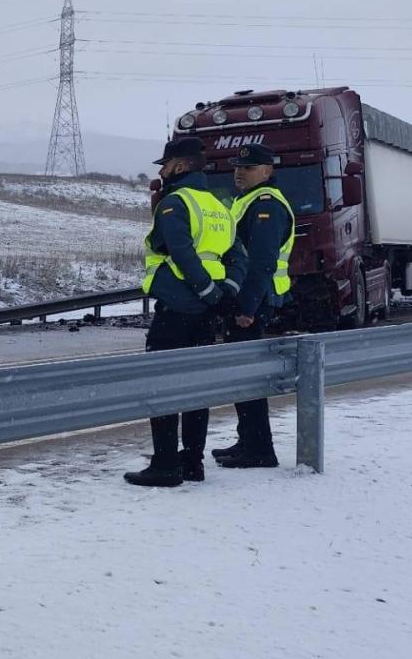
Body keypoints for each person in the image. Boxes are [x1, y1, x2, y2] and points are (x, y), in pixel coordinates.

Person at [125, 136, 238, 488]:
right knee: (195, 387)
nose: (163, 169)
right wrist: (222, 296)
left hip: (176, 308)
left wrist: (203, 290)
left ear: (183, 165)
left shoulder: (176, 202)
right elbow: (239, 258)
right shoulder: (218, 205)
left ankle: (164, 465)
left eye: (167, 164)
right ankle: (192, 462)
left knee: (162, 384)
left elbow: (179, 250)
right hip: (205, 312)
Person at [212, 144, 295, 469]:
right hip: (251, 299)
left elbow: (261, 262)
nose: (239, 172)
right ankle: (249, 440)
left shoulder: (266, 205)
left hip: (256, 301)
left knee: (248, 376)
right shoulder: (246, 202)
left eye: (248, 167)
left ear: (267, 171)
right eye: (237, 166)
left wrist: (246, 308)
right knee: (243, 375)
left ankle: (259, 449)